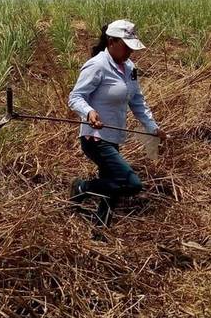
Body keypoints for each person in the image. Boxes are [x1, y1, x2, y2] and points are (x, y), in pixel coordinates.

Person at [67, 19, 166, 226]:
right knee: (130, 183)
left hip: (114, 135)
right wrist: (89, 112)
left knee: (112, 182)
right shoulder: (97, 65)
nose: (130, 53)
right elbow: (75, 97)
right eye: (126, 47)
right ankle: (81, 188)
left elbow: (137, 100)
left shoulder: (129, 67)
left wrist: (152, 127)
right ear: (111, 42)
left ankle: (100, 227)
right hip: (95, 137)